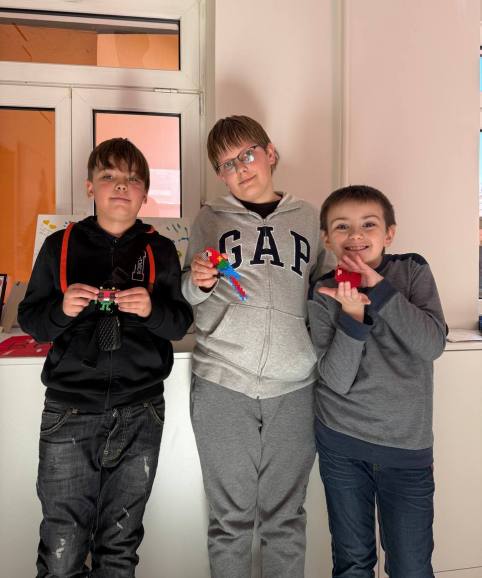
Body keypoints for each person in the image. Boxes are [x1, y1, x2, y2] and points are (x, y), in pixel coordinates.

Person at [18, 137, 193, 578]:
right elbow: (32, 321)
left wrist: (152, 310)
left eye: (132, 179)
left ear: (145, 194)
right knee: (61, 549)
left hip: (141, 411)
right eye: (109, 176)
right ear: (89, 187)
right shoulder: (59, 245)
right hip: (69, 412)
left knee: (120, 546)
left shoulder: (160, 251)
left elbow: (179, 323)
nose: (120, 186)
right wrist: (61, 310)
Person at [182, 115, 328, 578]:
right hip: (222, 381)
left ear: (270, 154)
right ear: (220, 175)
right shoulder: (209, 218)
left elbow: (322, 292)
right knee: (230, 521)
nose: (241, 168)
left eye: (247, 154)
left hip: (295, 386)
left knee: (285, 518)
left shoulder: (308, 218)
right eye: (227, 164)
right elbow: (187, 293)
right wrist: (198, 281)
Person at [308, 185, 447, 578]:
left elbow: (432, 345)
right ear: (327, 238)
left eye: (368, 224)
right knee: (353, 563)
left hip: (406, 447)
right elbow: (335, 379)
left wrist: (381, 291)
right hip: (341, 442)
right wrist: (353, 317)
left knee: (411, 567)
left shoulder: (412, 270)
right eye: (342, 226)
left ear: (389, 233)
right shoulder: (323, 290)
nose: (355, 234)